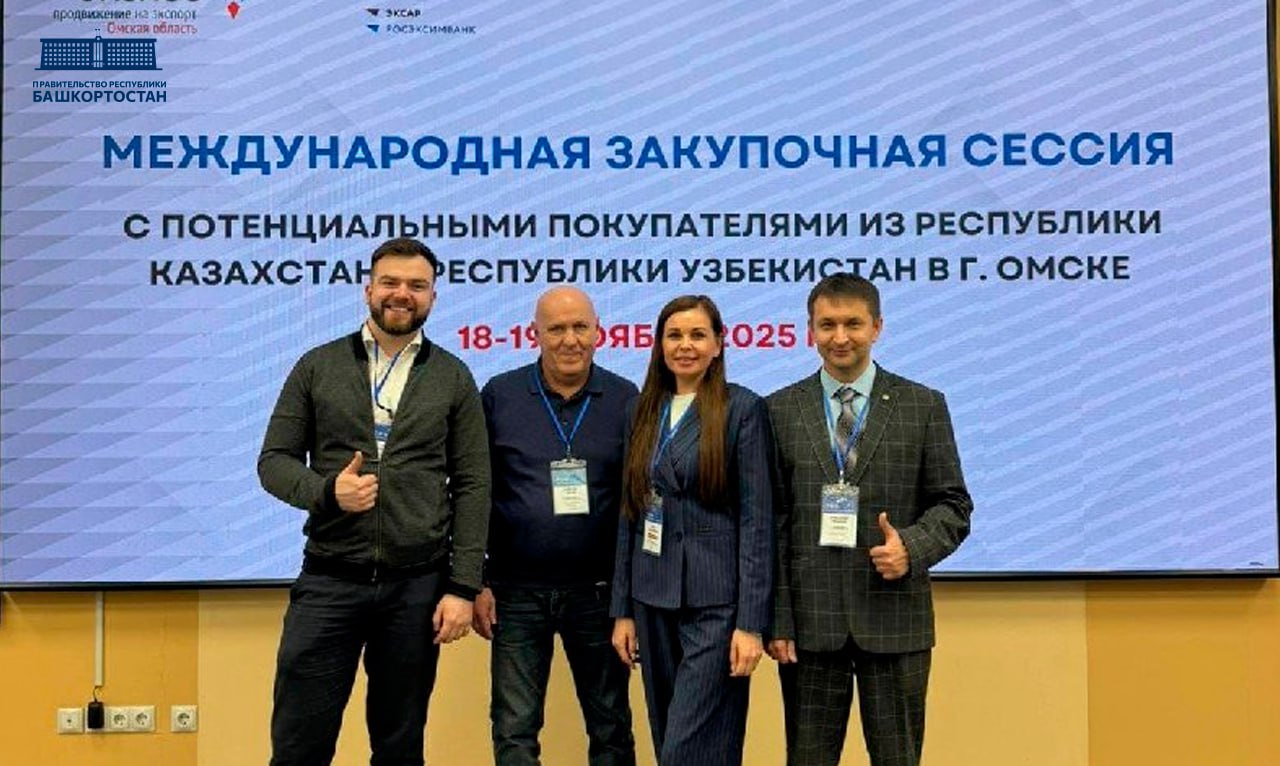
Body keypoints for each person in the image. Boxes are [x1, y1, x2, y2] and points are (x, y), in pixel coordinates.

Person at [258, 237, 490, 766]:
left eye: (416, 285)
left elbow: (474, 483)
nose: (402, 294)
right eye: (390, 282)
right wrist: (326, 492)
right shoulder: (316, 366)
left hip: (416, 589)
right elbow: (274, 461)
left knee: (399, 746)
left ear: (432, 296)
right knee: (298, 744)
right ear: (369, 290)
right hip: (329, 582)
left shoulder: (453, 375)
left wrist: (462, 586)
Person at [766, 273, 973, 766]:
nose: (840, 337)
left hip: (895, 620)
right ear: (810, 330)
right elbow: (771, 525)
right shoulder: (778, 410)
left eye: (853, 324)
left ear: (877, 327)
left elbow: (953, 505)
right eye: (827, 325)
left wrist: (911, 548)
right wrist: (777, 618)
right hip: (810, 629)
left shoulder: (922, 406)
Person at [473, 286, 637, 766]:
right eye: (557, 328)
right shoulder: (500, 395)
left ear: (599, 332)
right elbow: (474, 491)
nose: (570, 339)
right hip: (515, 594)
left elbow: (638, 502)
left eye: (580, 327)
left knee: (611, 728)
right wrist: (475, 581)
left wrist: (630, 598)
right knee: (514, 730)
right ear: (535, 334)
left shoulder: (626, 399)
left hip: (599, 594)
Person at [610, 294, 773, 766]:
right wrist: (622, 610)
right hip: (652, 596)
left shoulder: (742, 409)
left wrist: (751, 624)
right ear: (659, 345)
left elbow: (757, 522)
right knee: (668, 738)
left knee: (691, 746)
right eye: (674, 335)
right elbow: (629, 514)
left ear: (719, 344)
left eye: (698, 335)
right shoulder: (641, 410)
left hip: (717, 604)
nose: (686, 345)